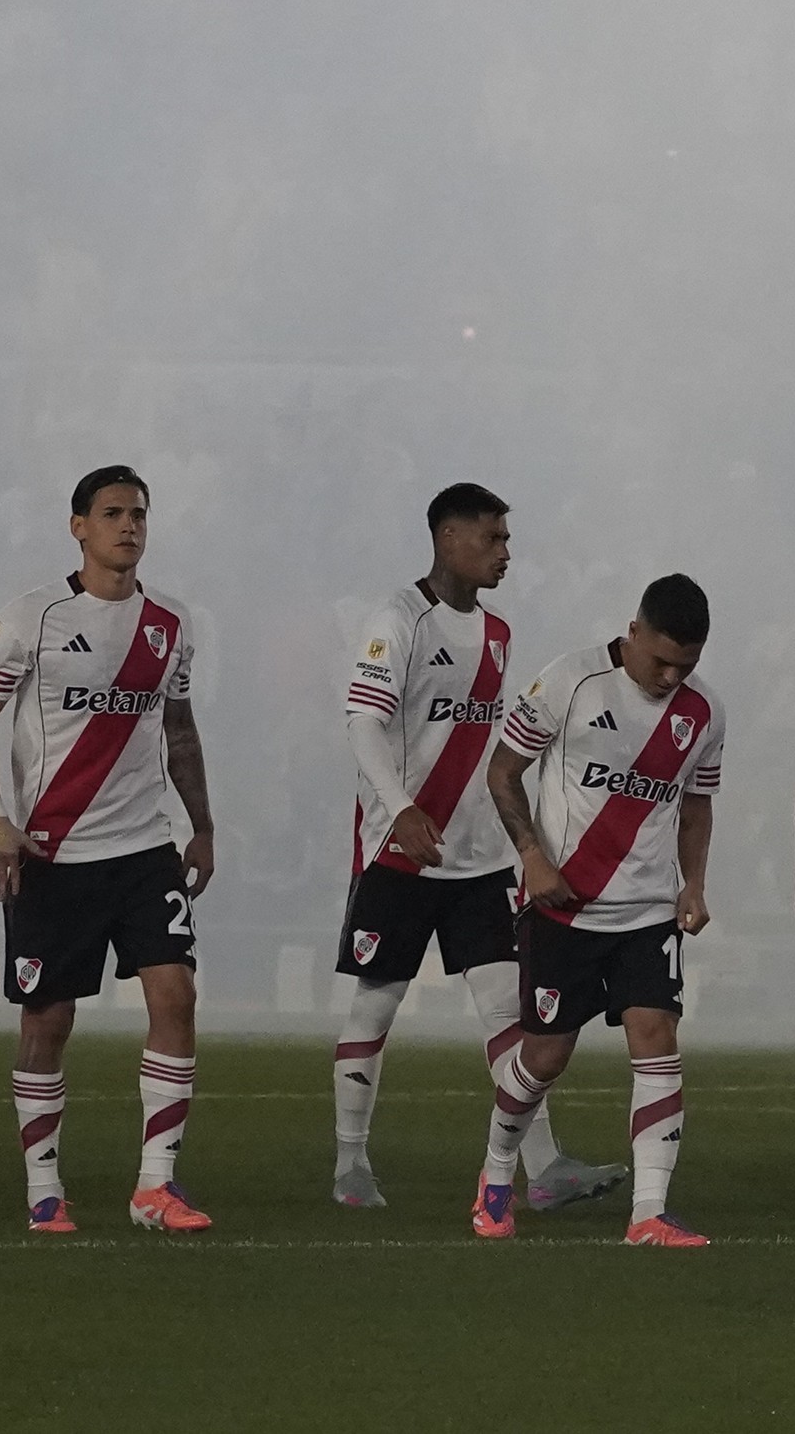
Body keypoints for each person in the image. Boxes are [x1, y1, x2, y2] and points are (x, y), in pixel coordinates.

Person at [332, 482, 622, 1210]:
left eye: (506, 539)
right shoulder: (397, 622)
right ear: (447, 537)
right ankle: (350, 1164)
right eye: (492, 538)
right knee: (377, 1006)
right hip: (399, 855)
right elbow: (363, 725)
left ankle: (545, 1169)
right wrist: (399, 811)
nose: (505, 552)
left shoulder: (497, 634)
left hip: (479, 860)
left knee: (509, 1014)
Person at [0, 465, 216, 1234]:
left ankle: (154, 1189)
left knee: (176, 996)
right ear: (78, 526)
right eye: (111, 514)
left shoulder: (171, 621)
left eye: (139, 514)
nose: (128, 526)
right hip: (51, 854)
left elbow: (179, 729)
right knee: (48, 1021)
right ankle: (44, 1187)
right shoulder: (31, 617)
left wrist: (201, 824)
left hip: (143, 850)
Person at [472, 575, 725, 1246]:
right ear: (633, 632)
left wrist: (693, 884)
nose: (671, 676)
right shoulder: (571, 681)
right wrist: (530, 854)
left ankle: (648, 1213)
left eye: (686, 665)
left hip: (646, 913)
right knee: (545, 1058)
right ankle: (496, 1176)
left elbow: (697, 804)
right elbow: (502, 772)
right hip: (563, 908)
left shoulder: (704, 713)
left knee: (656, 1037)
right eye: (660, 660)